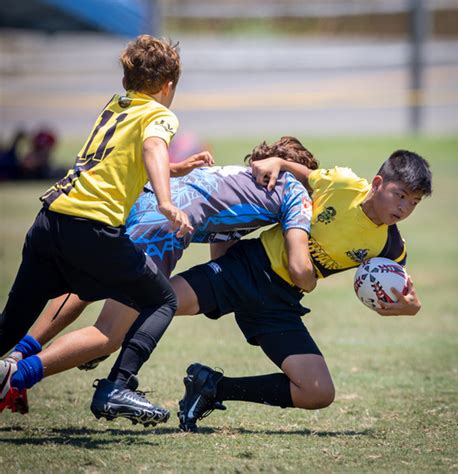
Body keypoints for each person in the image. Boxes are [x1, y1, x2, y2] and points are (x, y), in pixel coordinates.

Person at [0, 137, 318, 425]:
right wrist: (307, 279)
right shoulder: (294, 190)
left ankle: (19, 354)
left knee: (86, 288)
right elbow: (299, 266)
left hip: (140, 205)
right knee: (109, 333)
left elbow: (221, 265)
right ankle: (16, 377)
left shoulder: (237, 178)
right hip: (161, 228)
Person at [0, 35, 196, 423]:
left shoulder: (116, 105)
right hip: (92, 229)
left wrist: (174, 170)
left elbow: (121, 159)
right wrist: (166, 199)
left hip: (50, 220)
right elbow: (154, 147)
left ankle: (11, 366)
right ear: (168, 86)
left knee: (11, 325)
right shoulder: (161, 113)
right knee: (162, 301)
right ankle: (118, 384)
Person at [173, 149, 432, 432]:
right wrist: (279, 162)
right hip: (249, 267)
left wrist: (410, 307)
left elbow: (400, 288)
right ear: (378, 182)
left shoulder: (390, 246)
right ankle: (120, 378)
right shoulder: (343, 184)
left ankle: (212, 387)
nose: (404, 208)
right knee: (164, 301)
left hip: (282, 302)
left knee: (318, 392)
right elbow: (306, 176)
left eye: (415, 202)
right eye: (401, 195)